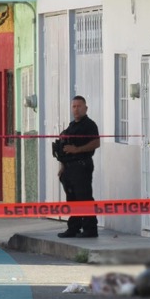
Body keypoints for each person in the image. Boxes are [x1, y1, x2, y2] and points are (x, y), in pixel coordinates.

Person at [56, 95, 100, 238]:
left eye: (79, 106)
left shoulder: (89, 125)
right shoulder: (71, 126)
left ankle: (90, 229)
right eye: (74, 106)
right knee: (72, 199)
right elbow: (64, 146)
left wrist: (77, 150)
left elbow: (96, 143)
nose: (76, 109)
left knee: (84, 198)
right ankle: (73, 228)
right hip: (69, 168)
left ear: (85, 108)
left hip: (82, 166)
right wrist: (63, 166)